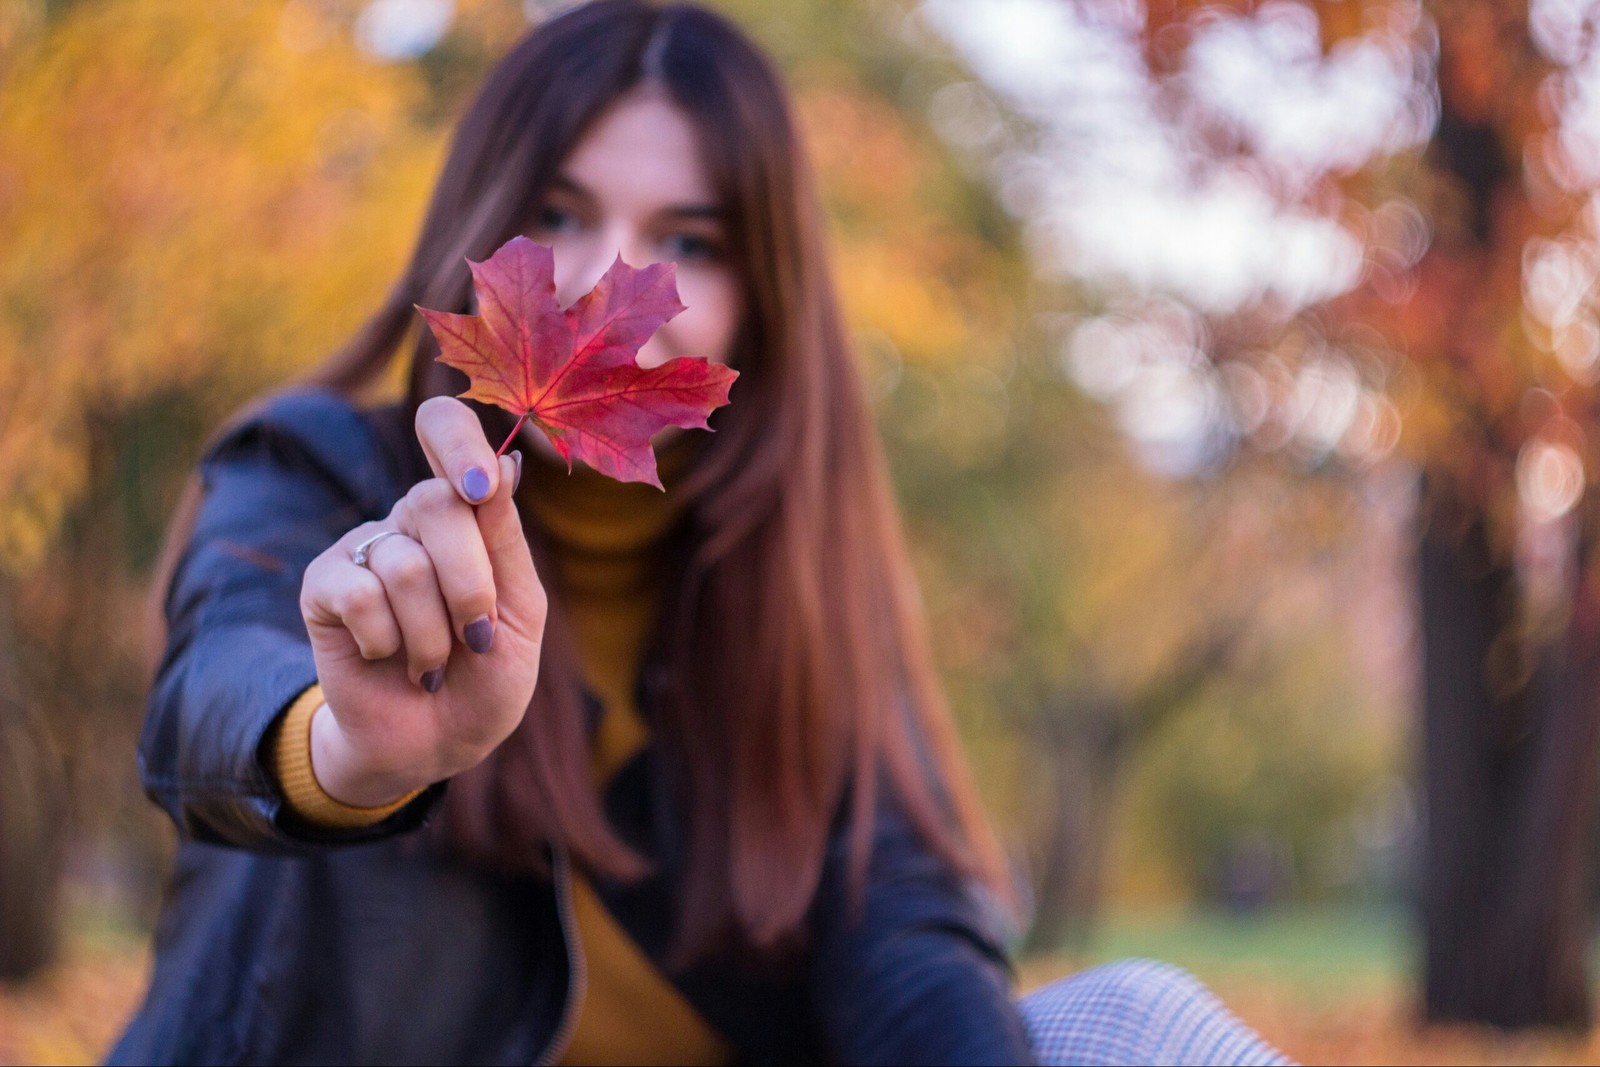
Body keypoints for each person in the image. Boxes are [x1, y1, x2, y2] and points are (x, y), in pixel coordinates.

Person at [110, 2, 1290, 1064]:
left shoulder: (788, 570)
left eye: (686, 240)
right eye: (558, 212)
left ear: (763, 298)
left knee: (1138, 1023)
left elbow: (907, 926)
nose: (603, 283)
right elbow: (212, 696)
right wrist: (352, 755)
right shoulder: (319, 466)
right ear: (477, 224)